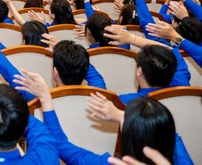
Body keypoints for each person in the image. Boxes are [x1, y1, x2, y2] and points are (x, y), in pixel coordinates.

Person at [15, 71, 193, 165]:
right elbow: (170, 134)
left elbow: (61, 145)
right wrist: (126, 117)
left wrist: (45, 99)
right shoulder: (181, 155)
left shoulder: (109, 163)